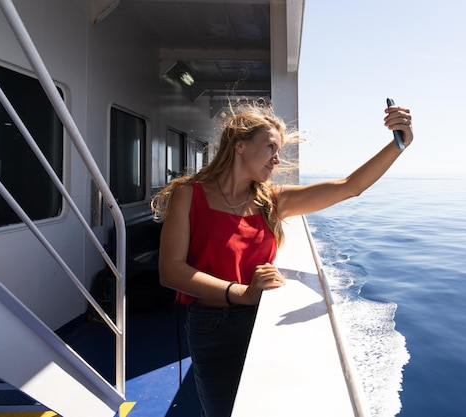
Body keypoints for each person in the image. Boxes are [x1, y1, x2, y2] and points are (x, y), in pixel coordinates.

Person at [151, 99, 413, 417]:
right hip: (210, 327)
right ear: (240, 146)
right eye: (271, 148)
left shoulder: (272, 202)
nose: (277, 159)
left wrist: (398, 145)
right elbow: (172, 271)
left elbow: (350, 187)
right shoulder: (188, 194)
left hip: (264, 320)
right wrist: (242, 293)